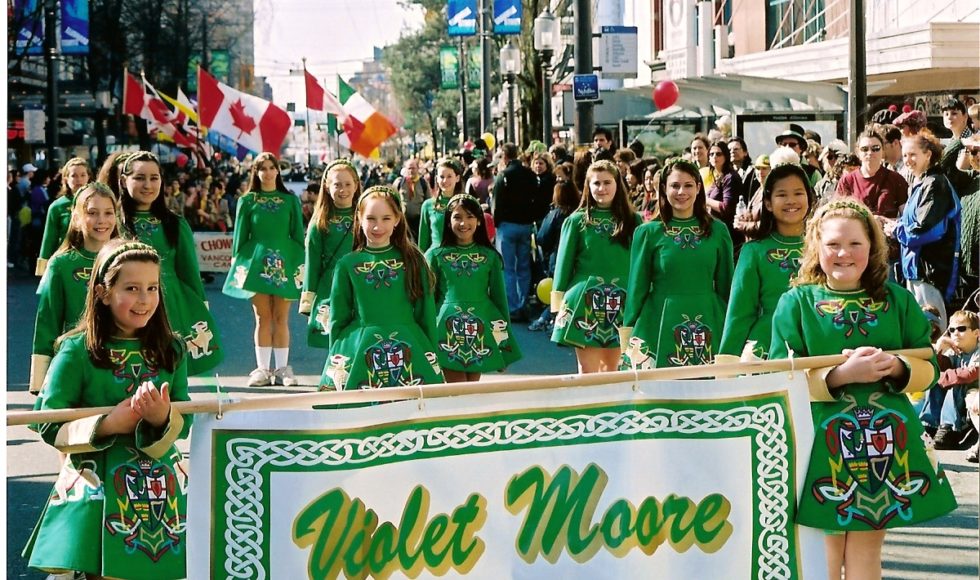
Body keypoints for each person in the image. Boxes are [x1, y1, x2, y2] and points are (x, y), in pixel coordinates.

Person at [770, 198, 957, 580]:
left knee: (866, 553)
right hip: (818, 446)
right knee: (822, 553)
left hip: (884, 445)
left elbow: (930, 367)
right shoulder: (796, 303)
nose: (844, 253)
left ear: (872, 247)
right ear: (816, 248)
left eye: (855, 243)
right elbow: (778, 379)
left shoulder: (898, 301)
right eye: (833, 244)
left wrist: (899, 367)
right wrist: (841, 375)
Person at [24, 239, 192, 579]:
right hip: (96, 487)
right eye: (131, 288)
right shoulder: (75, 350)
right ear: (103, 292)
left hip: (160, 490)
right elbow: (48, 423)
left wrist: (162, 418)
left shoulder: (171, 349)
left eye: (152, 288)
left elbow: (184, 420)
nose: (144, 299)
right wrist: (108, 424)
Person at [319, 186, 444, 390]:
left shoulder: (414, 261)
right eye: (371, 219)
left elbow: (426, 315)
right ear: (359, 219)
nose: (378, 227)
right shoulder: (346, 264)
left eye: (386, 218)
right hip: (358, 349)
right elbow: (337, 320)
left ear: (397, 220)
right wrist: (337, 356)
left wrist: (432, 356)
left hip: (410, 348)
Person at [620, 158, 734, 369]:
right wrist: (628, 336)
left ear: (699, 188)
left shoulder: (719, 231)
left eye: (688, 185)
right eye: (675, 185)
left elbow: (727, 288)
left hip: (710, 320)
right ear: (663, 189)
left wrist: (733, 333)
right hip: (657, 323)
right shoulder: (647, 233)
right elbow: (637, 289)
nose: (682, 192)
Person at [118, 151, 223, 378]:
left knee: (169, 377)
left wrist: (199, 309)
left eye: (154, 178)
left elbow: (189, 273)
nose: (148, 185)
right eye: (139, 178)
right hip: (123, 309)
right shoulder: (112, 223)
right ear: (123, 180)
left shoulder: (175, 224)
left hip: (171, 308)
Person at [30, 182, 120, 394]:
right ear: (78, 217)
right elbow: (47, 322)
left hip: (123, 366)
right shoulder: (61, 264)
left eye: (109, 212)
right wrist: (40, 380)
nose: (102, 220)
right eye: (92, 213)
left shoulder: (128, 258)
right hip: (77, 365)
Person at [550, 160, 640, 373]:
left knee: (615, 371)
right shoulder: (576, 221)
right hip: (584, 302)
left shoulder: (633, 221)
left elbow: (641, 266)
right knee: (587, 372)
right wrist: (558, 306)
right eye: (596, 183)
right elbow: (563, 265)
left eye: (607, 182)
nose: (602, 188)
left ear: (618, 185)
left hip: (623, 300)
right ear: (588, 187)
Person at [223, 152, 304, 386]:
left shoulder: (290, 200)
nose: (268, 172)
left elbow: (298, 236)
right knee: (262, 317)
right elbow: (240, 236)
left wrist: (299, 265)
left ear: (278, 171)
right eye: (263, 168)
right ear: (256, 173)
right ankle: (262, 370)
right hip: (255, 263)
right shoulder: (247, 201)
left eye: (272, 167)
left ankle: (282, 370)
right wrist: (237, 263)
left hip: (284, 263)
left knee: (281, 317)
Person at [718, 164, 812, 362]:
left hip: (817, 338)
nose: (791, 201)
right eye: (782, 195)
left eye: (798, 193)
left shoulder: (826, 248)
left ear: (809, 199)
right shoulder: (754, 251)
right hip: (766, 346)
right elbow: (739, 314)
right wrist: (726, 364)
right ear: (768, 203)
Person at [426, 194, 522, 382]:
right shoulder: (436, 256)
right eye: (457, 217)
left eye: (470, 216)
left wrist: (504, 346)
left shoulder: (490, 256)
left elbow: (499, 301)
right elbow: (428, 300)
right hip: (446, 330)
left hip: (479, 330)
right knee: (457, 391)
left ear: (479, 221)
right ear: (447, 221)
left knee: (470, 390)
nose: (464, 223)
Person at [887, 131, 961, 330]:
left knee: (933, 330)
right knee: (919, 330)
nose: (907, 160)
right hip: (915, 270)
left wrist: (895, 230)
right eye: (904, 155)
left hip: (931, 272)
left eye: (912, 154)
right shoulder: (921, 184)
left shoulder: (936, 183)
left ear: (928, 155)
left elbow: (925, 230)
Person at [300, 159, 361, 350]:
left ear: (356, 185)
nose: (343, 189)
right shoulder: (320, 222)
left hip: (362, 285)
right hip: (330, 289)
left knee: (360, 340)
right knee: (335, 344)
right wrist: (308, 300)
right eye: (337, 184)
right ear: (327, 187)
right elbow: (312, 263)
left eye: (347, 184)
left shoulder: (366, 216)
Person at [492, 143, 542, 321]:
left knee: (507, 267)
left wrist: (496, 223)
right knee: (523, 266)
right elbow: (537, 198)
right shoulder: (530, 174)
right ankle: (523, 303)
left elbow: (496, 202)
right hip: (525, 224)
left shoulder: (504, 175)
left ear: (504, 157)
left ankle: (512, 306)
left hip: (507, 225)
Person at [529, 162, 580, 332]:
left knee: (557, 290)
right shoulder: (580, 213)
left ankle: (551, 320)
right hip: (578, 257)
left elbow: (543, 237)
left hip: (557, 256)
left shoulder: (556, 213)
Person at [920, 310, 979, 450]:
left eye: (962, 329)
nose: (955, 333)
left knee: (954, 381)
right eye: (952, 330)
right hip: (959, 405)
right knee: (939, 380)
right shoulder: (954, 351)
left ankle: (949, 429)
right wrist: (939, 352)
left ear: (977, 333)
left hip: (969, 403)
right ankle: (930, 426)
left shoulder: (977, 350)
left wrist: (939, 376)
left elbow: (969, 374)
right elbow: (937, 369)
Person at [37, 158, 92, 275]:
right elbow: (49, 239)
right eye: (74, 176)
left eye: (83, 175)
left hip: (93, 259)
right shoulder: (57, 206)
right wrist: (43, 271)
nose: (79, 179)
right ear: (66, 179)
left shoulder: (98, 202)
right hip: (65, 261)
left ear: (88, 177)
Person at [418, 158, 463, 253]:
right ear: (437, 179)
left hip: (460, 259)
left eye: (449, 176)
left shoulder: (466, 203)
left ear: (457, 178)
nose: (445, 180)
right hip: (435, 260)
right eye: (442, 177)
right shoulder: (428, 205)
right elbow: (423, 242)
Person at [704, 140, 744, 248]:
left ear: (726, 156)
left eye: (718, 154)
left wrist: (706, 200)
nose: (714, 157)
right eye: (711, 154)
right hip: (715, 230)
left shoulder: (730, 177)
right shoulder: (719, 176)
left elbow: (727, 208)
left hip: (729, 233)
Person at [394, 157, 429, 241]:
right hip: (404, 221)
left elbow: (428, 201)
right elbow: (393, 200)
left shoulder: (423, 183)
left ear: (417, 169)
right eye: (409, 168)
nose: (411, 170)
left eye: (413, 168)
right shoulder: (399, 182)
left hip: (419, 221)